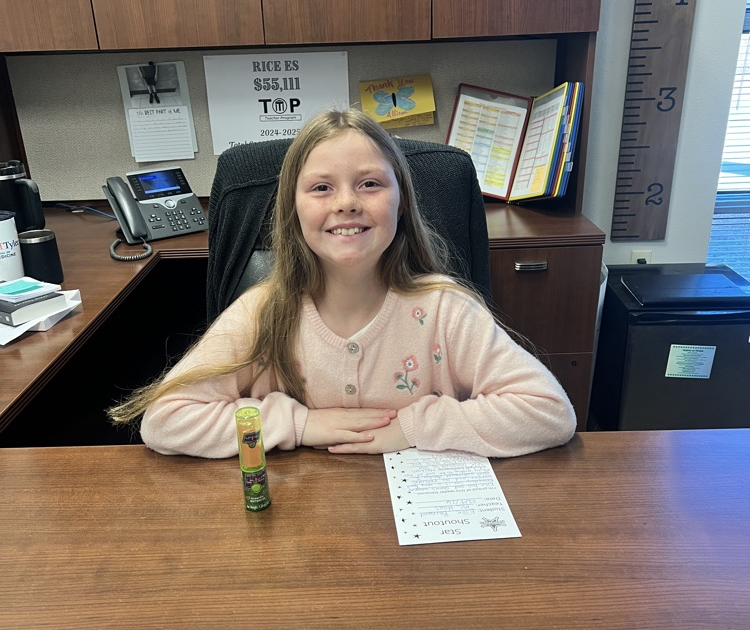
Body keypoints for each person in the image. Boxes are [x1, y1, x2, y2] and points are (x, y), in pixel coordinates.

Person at [108, 108, 576, 458]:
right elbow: (164, 421)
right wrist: (299, 424)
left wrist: (413, 429)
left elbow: (549, 411)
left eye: (370, 184)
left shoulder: (445, 310)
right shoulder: (263, 312)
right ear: (293, 212)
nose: (347, 203)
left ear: (402, 203)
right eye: (321, 187)